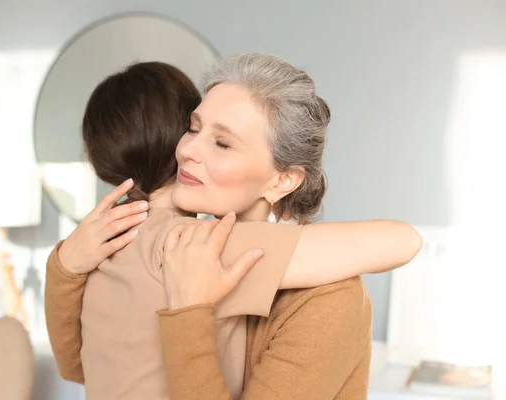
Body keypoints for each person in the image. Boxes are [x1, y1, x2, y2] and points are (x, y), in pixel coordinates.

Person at [45, 56, 422, 399]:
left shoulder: (328, 298)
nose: (188, 151)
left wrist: (190, 313)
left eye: (222, 143)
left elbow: (405, 240)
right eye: (192, 129)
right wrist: (67, 265)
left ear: (282, 181)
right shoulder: (182, 246)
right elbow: (84, 367)